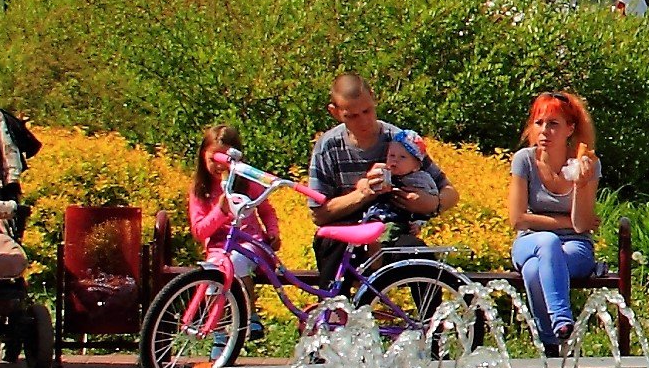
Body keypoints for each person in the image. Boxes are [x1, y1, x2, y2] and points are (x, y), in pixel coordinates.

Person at [304, 71, 451, 255]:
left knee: (419, 257)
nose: (364, 121)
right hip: (345, 233)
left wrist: (430, 203)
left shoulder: (398, 140)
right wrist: (362, 194)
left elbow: (450, 192)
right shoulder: (328, 146)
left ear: (373, 98)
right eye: (352, 116)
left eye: (367, 111)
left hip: (391, 229)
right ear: (335, 112)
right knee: (329, 245)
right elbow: (318, 214)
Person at [507, 90, 601, 353]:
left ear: (570, 129)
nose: (544, 132)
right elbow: (517, 219)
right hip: (529, 242)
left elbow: (581, 226)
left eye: (553, 124)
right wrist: (565, 223)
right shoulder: (524, 160)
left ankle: (550, 342)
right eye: (539, 123)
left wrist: (581, 185)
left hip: (575, 247)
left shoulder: (586, 164)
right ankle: (562, 321)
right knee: (546, 243)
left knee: (535, 270)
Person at [186, 125, 284, 279]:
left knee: (237, 261)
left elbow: (266, 210)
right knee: (213, 273)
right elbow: (199, 232)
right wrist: (220, 211)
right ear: (203, 155)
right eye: (213, 159)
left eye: (226, 160)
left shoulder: (247, 183)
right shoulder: (200, 190)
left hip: (252, 244)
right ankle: (215, 303)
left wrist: (273, 232)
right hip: (219, 249)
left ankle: (244, 303)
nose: (219, 166)